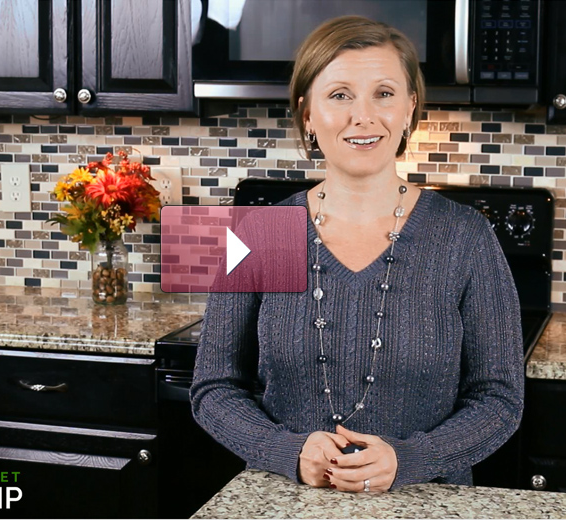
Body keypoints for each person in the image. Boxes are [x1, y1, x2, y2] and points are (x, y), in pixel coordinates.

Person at [190, 15, 524, 494]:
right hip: (286, 503)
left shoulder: (463, 236)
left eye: (384, 93)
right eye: (340, 95)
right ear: (308, 113)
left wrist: (410, 459)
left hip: (426, 504)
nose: (363, 116)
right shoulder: (264, 234)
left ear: (409, 108)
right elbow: (214, 388)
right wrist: (288, 451)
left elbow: (499, 400)